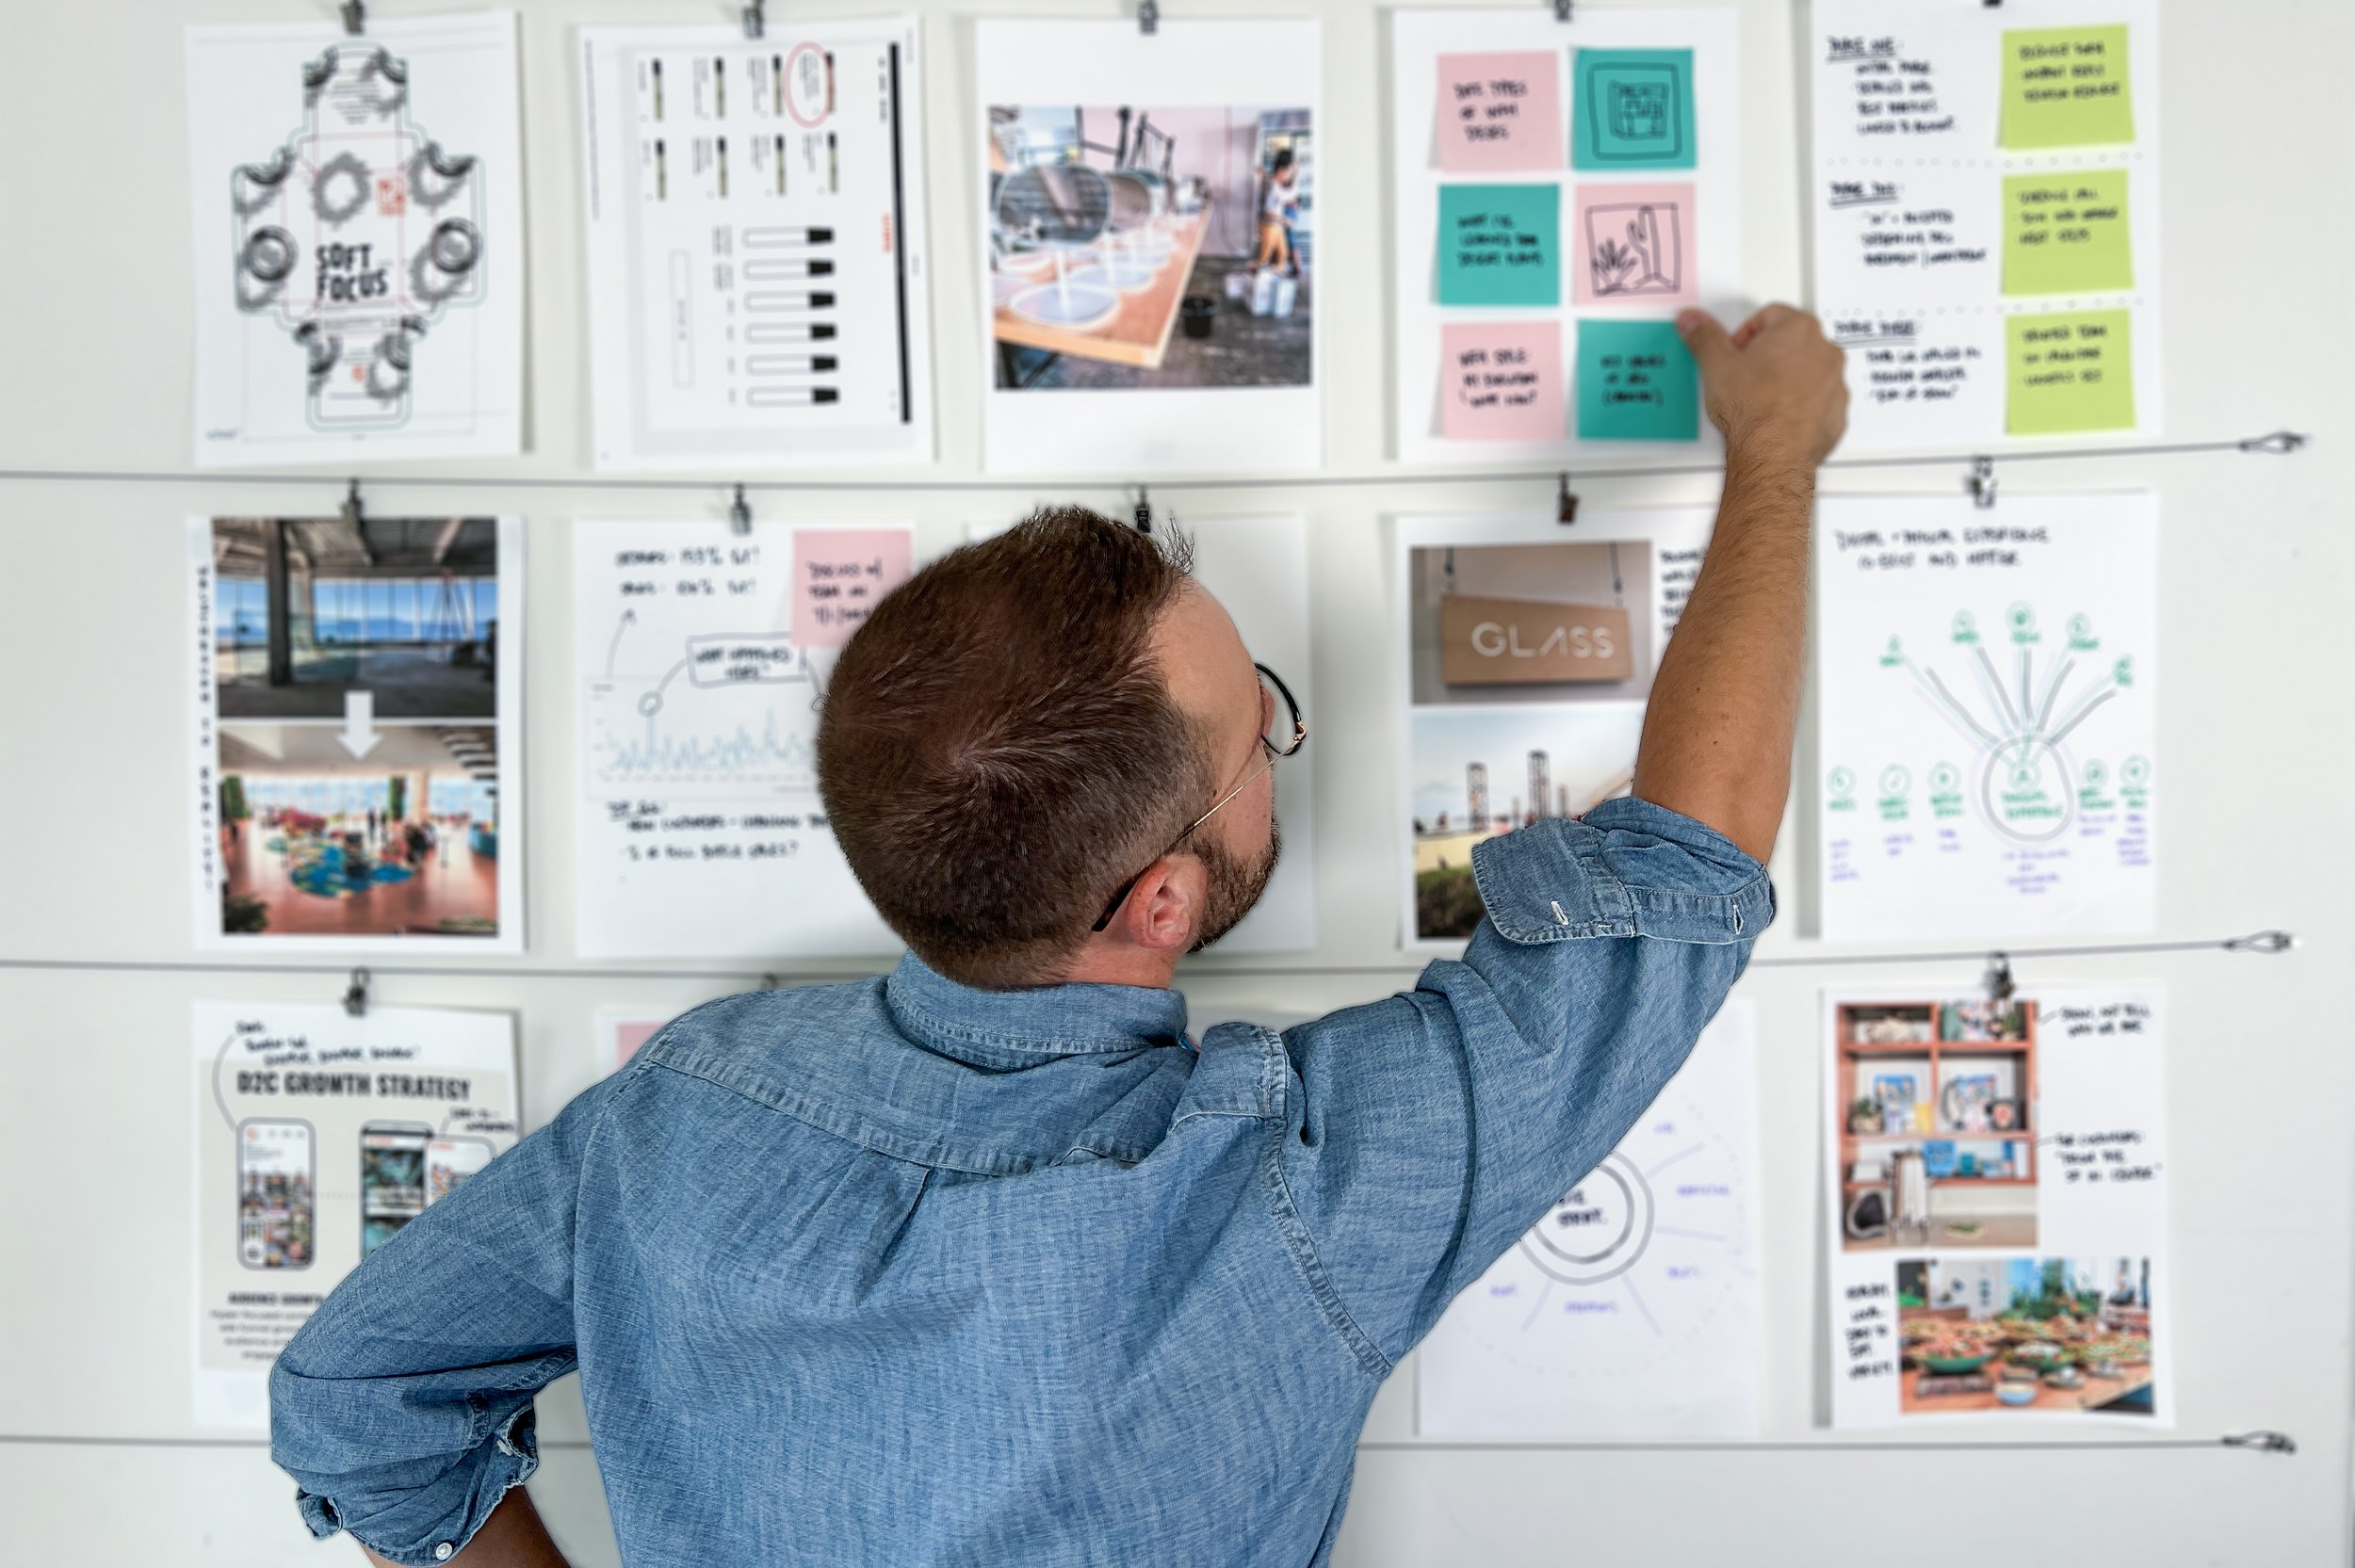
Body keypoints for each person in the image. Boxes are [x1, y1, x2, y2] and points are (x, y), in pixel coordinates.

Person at [268, 304, 1845, 1568]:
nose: (1277, 744)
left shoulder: (676, 1114)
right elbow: (1687, 854)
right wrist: (1778, 448)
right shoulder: (1292, 1187)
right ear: (1160, 900)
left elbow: (355, 1399)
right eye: (1261, 734)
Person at [1256, 147, 1300, 274]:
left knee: (1282, 257)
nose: (1290, 175)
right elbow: (1268, 211)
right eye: (1289, 172)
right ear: (1281, 170)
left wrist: (1289, 203)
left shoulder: (1276, 184)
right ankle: (1257, 280)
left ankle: (1271, 278)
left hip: (1277, 225)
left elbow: (1278, 201)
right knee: (1264, 260)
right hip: (1270, 226)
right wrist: (1285, 220)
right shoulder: (1273, 186)